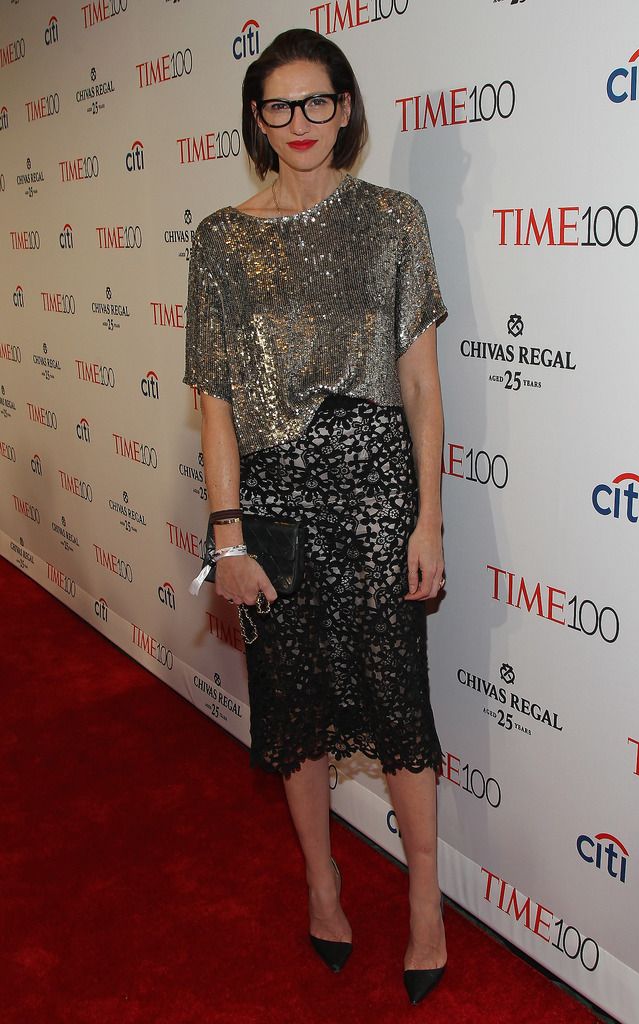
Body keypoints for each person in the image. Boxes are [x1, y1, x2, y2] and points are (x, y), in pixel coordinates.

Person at [184, 28, 448, 1004]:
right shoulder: (220, 239)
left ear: (346, 107)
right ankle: (322, 881)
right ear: (256, 120)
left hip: (379, 488)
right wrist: (228, 535)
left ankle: (424, 898)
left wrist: (427, 519)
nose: (299, 123)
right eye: (277, 106)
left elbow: (419, 388)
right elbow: (213, 402)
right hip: (277, 500)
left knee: (396, 702)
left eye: (316, 101)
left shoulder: (393, 222)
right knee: (291, 709)